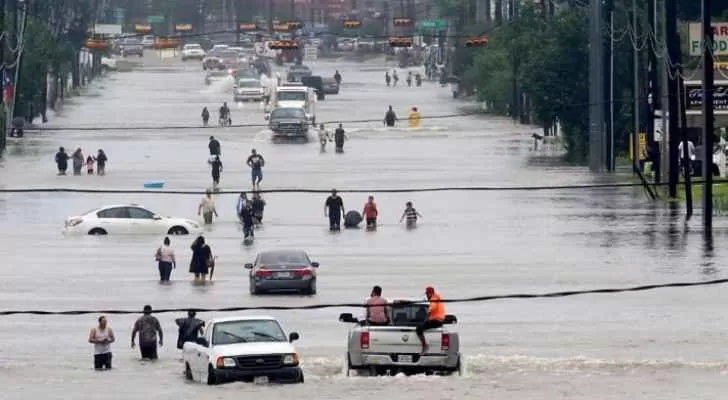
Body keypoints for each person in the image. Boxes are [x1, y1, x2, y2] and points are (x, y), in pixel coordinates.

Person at [416, 286, 446, 353]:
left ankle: (425, 345)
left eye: (427, 294)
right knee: (423, 325)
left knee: (419, 329)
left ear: (430, 293)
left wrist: (428, 313)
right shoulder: (437, 297)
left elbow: (432, 306)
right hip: (438, 320)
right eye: (426, 294)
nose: (426, 296)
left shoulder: (434, 298)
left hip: (437, 320)